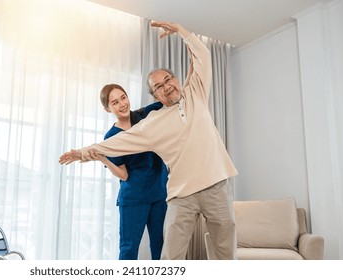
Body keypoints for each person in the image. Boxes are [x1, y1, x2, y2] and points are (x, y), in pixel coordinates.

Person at [59, 21, 238, 260]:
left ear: (176, 79)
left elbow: (203, 56)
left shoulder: (195, 93)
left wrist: (183, 33)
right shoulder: (151, 123)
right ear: (155, 95)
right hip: (178, 196)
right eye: (158, 87)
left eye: (168, 80)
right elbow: (118, 143)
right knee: (168, 256)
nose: (166, 87)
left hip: (216, 184)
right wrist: (84, 152)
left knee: (225, 251)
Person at [92, 83, 168, 260]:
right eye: (115, 102)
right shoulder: (111, 137)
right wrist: (103, 159)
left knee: (161, 247)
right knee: (129, 249)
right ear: (107, 109)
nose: (122, 104)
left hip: (159, 194)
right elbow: (124, 175)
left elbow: (169, 101)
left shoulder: (144, 116)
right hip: (134, 198)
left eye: (123, 98)